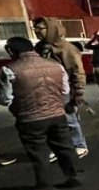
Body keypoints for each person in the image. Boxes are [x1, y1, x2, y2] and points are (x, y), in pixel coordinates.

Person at [0, 37, 80, 190]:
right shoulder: (56, 65)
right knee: (65, 147)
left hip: (30, 118)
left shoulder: (10, 69)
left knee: (39, 154)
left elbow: (4, 99)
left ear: (11, 51)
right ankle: (74, 177)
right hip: (57, 115)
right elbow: (65, 91)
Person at [33, 17, 88, 158]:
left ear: (51, 29)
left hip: (64, 91)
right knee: (52, 122)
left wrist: (78, 92)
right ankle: (59, 146)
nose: (37, 31)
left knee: (70, 119)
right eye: (35, 28)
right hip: (45, 91)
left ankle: (79, 144)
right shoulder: (39, 48)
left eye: (40, 28)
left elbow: (77, 71)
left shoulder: (66, 48)